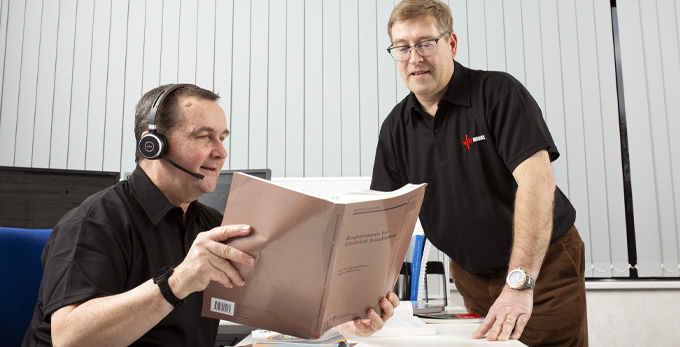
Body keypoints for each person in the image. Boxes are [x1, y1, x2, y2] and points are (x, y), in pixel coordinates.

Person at [23, 84, 400, 347]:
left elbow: (275, 309)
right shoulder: (94, 221)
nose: (221, 152)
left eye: (223, 137)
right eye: (204, 136)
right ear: (151, 143)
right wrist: (179, 281)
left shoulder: (210, 225)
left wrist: (345, 322)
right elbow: (70, 337)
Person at [370, 1, 587, 346]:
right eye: (402, 47)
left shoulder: (498, 93)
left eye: (426, 43)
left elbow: (537, 182)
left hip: (542, 269)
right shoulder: (395, 128)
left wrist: (519, 284)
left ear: (451, 44)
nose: (414, 57)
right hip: (471, 276)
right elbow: (385, 222)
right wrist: (363, 299)